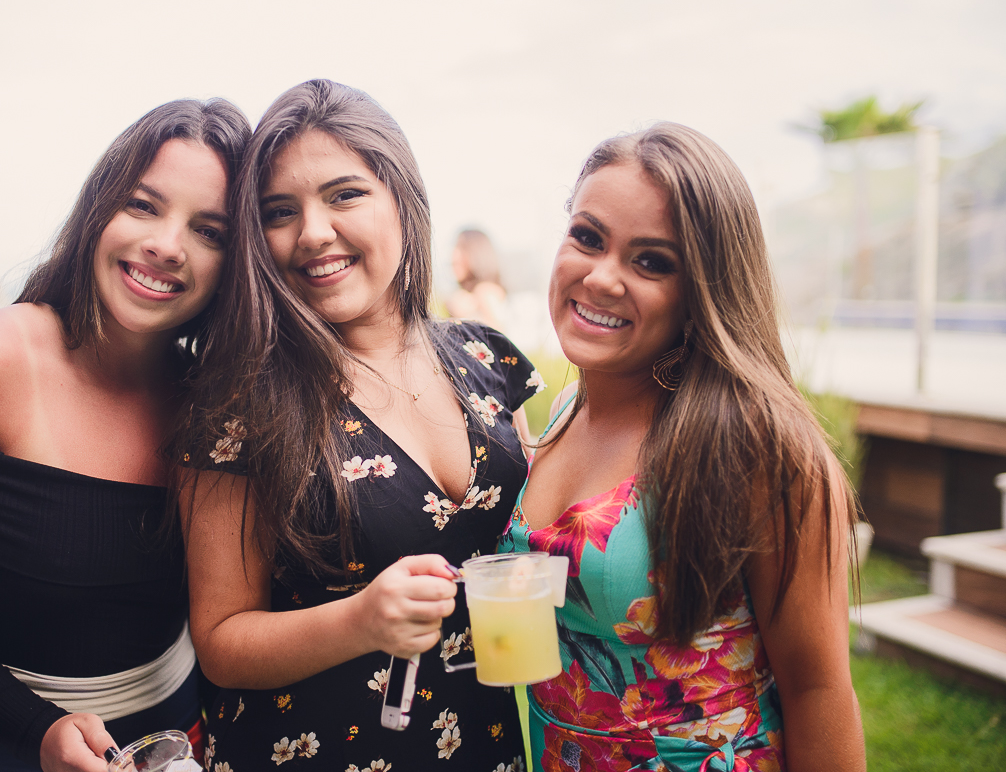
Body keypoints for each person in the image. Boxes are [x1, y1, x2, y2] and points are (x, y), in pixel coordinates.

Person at [0, 99, 251, 772]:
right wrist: (36, 727)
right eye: (144, 206)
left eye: (209, 231)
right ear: (98, 209)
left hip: (179, 744)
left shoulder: (216, 400)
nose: (167, 245)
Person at [176, 79, 543, 770]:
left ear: (402, 200)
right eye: (280, 211)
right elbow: (222, 642)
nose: (314, 232)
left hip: (484, 741)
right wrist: (361, 620)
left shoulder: (487, 359)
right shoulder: (238, 400)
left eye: (344, 194)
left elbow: (530, 535)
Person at [499, 123, 865, 771]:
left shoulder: (757, 446)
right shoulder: (561, 413)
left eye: (651, 262)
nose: (602, 277)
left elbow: (819, 691)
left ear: (702, 291)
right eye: (587, 237)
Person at [446, 228, 508, 329]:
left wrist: (463, 316)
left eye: (461, 248)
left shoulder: (485, 291)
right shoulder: (470, 295)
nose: (454, 256)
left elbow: (498, 336)